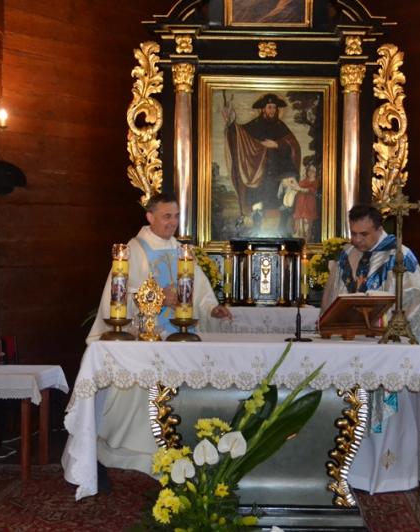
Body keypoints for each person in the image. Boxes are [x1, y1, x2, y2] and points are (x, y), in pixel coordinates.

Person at [86, 193, 232, 479]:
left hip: (179, 334)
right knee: (142, 395)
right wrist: (158, 297)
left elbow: (200, 292)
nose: (173, 222)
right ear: (150, 217)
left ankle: (177, 444)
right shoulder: (134, 249)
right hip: (147, 337)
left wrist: (212, 309)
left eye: (176, 216)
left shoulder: (181, 250)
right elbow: (121, 294)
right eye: (167, 216)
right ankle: (134, 450)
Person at [320, 204, 420, 494]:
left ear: (379, 228)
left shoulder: (400, 256)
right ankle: (352, 474)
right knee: (352, 409)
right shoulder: (347, 255)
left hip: (387, 347)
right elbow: (332, 298)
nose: (356, 240)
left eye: (363, 234)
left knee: (390, 413)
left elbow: (415, 300)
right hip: (352, 346)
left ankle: (392, 476)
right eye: (353, 233)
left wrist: (385, 317)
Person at [223, 92, 301, 231]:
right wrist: (230, 122)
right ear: (263, 109)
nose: (272, 110)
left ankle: (280, 231)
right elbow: (240, 135)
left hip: (278, 172)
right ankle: (256, 230)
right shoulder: (255, 125)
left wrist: (277, 144)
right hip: (258, 173)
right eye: (269, 107)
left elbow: (293, 146)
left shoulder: (280, 126)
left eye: (274, 107)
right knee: (258, 204)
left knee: (280, 202)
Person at [292, 163, 319, 240]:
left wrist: (300, 189)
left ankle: (307, 242)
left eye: (313, 171)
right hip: (300, 203)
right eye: (310, 170)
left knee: (307, 224)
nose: (311, 172)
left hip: (309, 204)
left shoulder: (316, 181)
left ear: (316, 173)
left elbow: (311, 190)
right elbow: (298, 186)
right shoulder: (304, 180)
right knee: (299, 223)